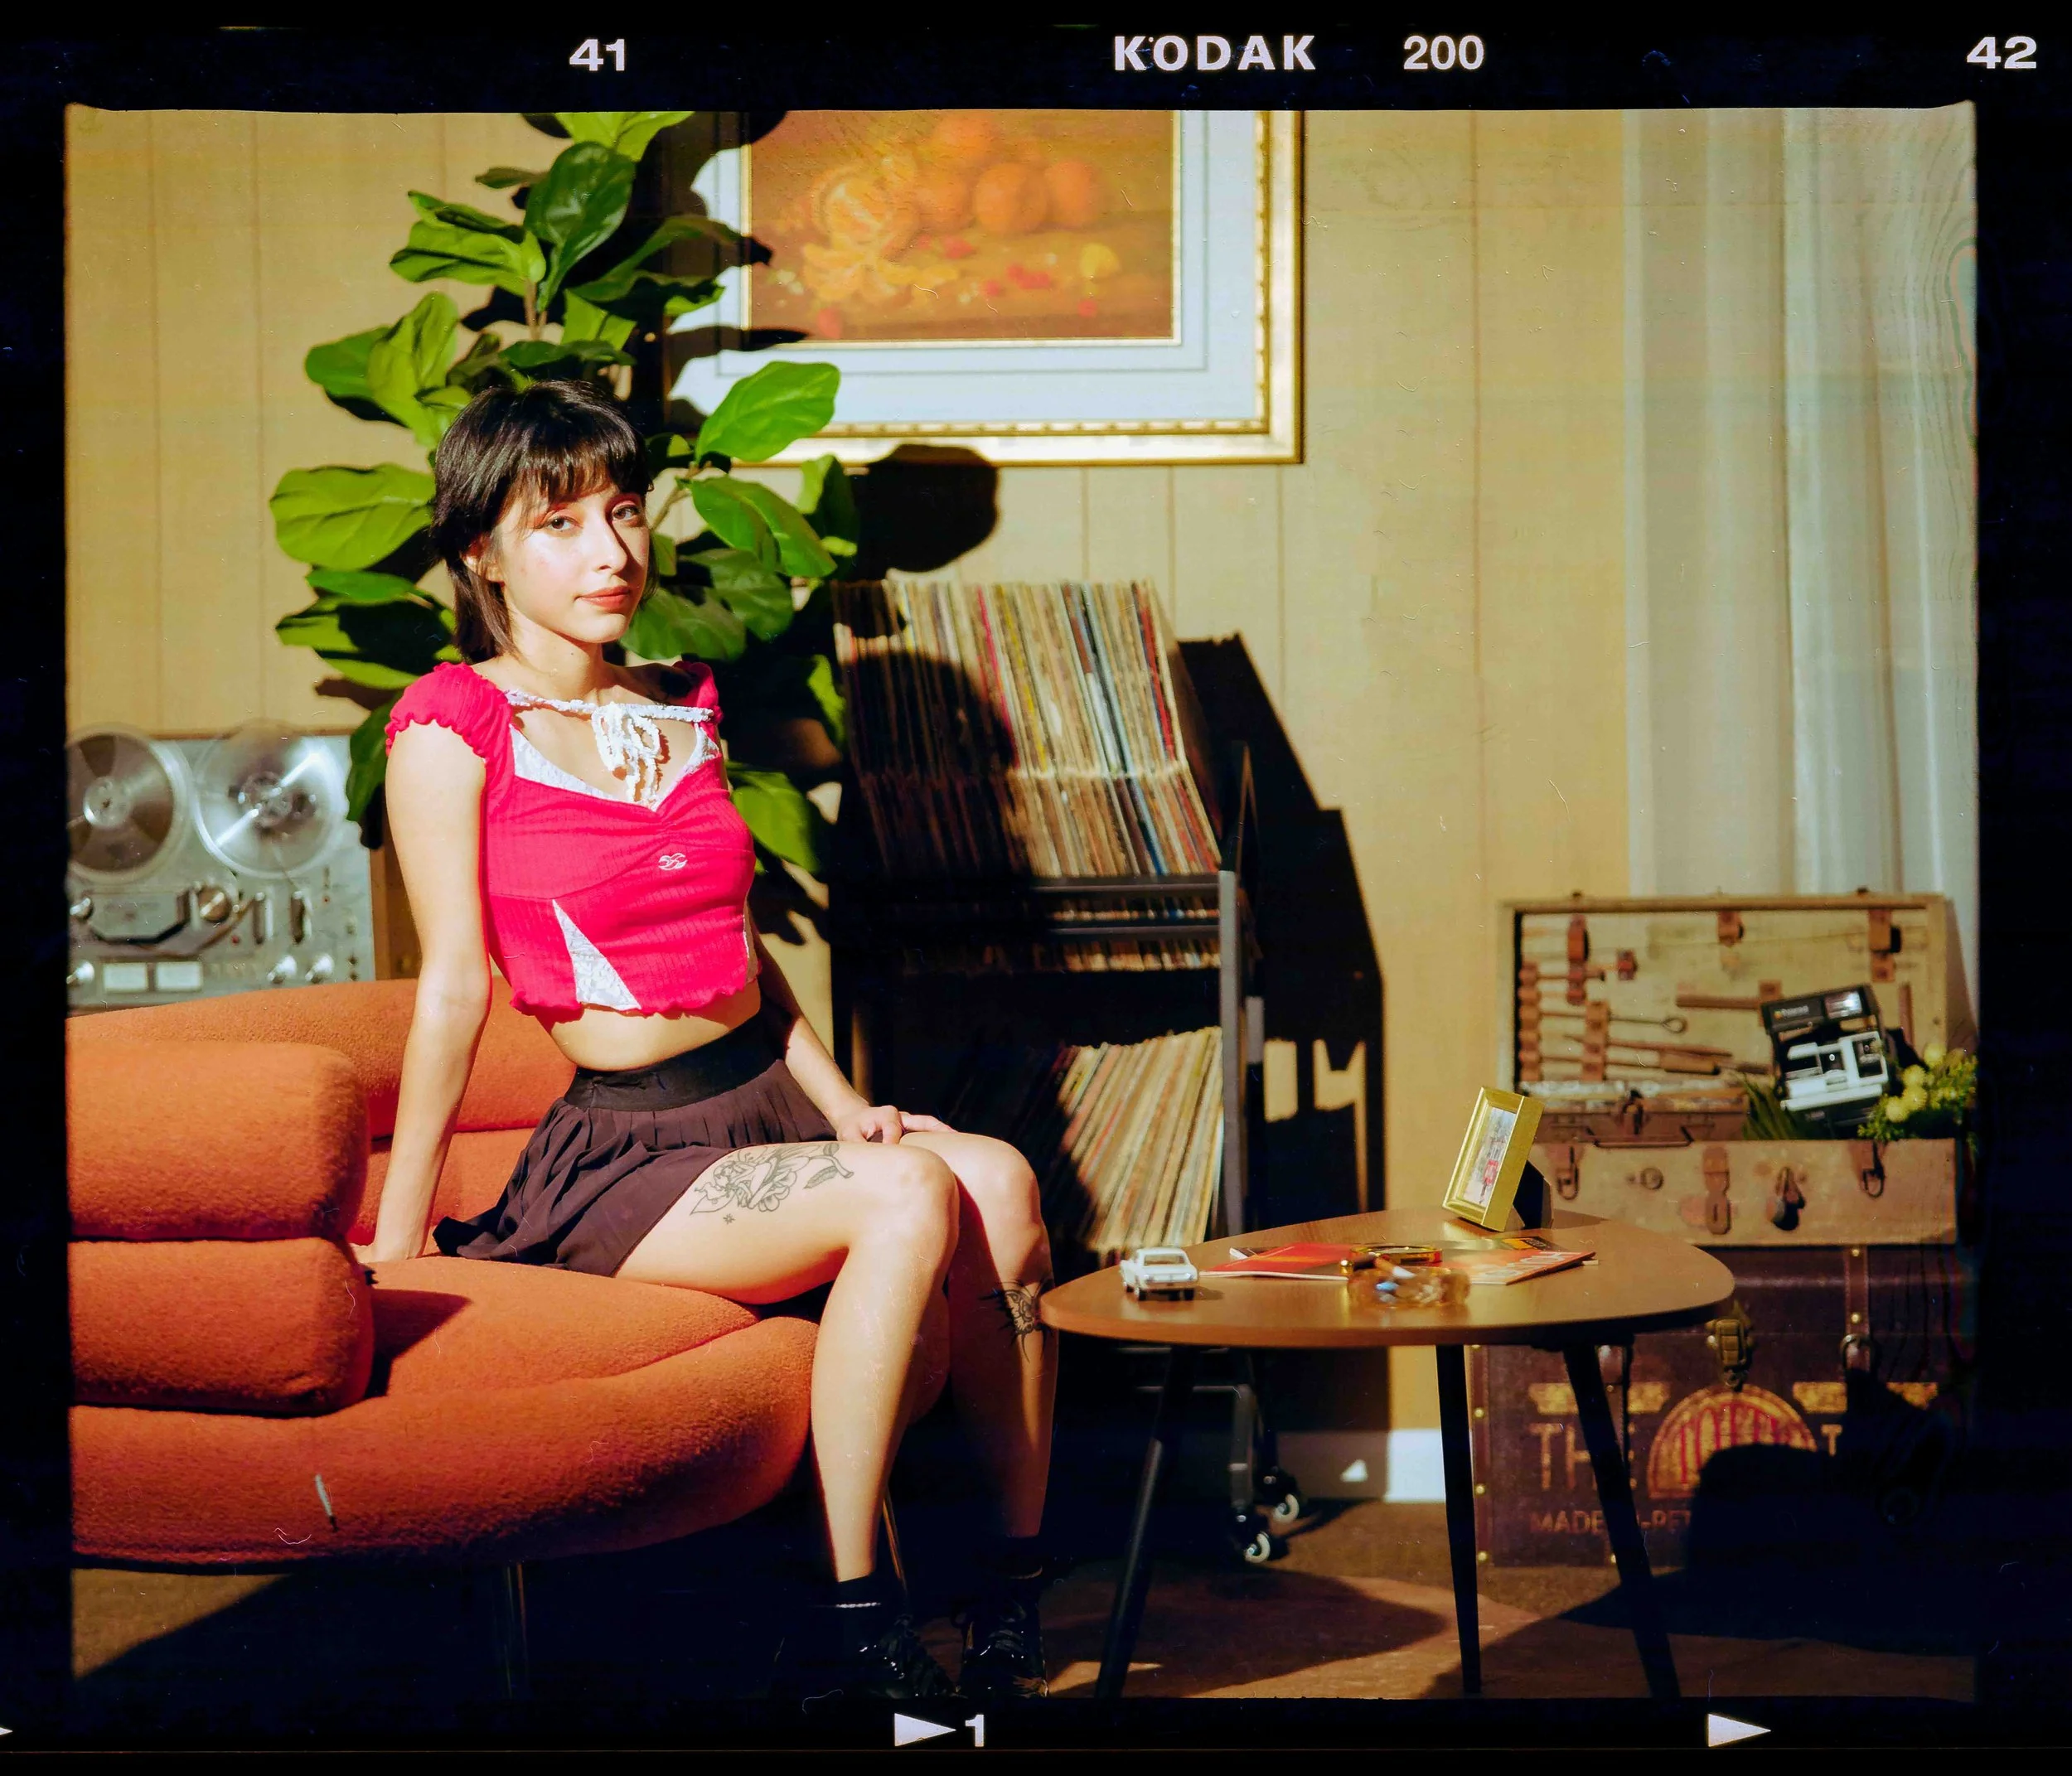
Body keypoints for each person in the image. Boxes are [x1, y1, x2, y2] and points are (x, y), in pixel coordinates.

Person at [359, 379, 1055, 1701]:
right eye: (558, 524)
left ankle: (1011, 1595)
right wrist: (400, 1238)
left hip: (769, 1106)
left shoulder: (682, 703)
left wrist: (846, 1102)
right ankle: (859, 1608)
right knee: (909, 1191)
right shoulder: (451, 726)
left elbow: (738, 957)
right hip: (628, 1153)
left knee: (1005, 1182)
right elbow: (452, 986)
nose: (611, 551)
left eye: (620, 513)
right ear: (480, 555)